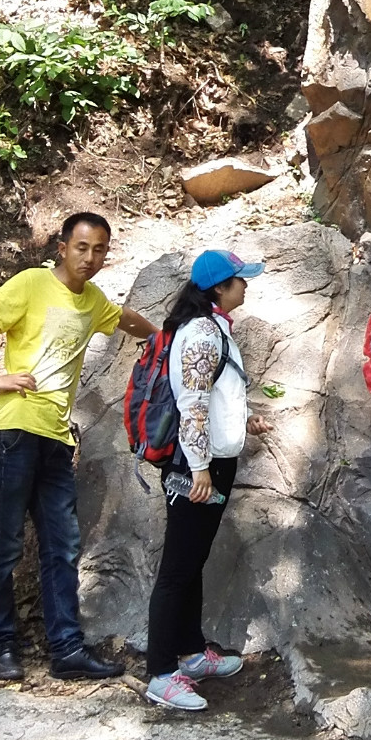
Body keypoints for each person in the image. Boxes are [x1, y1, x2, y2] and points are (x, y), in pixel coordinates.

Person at [0, 211, 153, 682]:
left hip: (56, 437)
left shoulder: (92, 301)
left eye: (100, 250)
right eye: (82, 247)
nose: (90, 258)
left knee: (62, 546)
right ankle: (2, 645)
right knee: (6, 541)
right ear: (62, 247)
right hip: (14, 429)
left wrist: (168, 336)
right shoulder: (32, 282)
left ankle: (66, 648)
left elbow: (125, 319)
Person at [143, 247, 271, 711]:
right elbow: (191, 403)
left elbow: (216, 397)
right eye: (240, 279)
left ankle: (192, 653)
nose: (246, 285)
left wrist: (244, 422)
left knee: (193, 561)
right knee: (177, 569)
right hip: (196, 468)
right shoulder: (201, 331)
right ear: (219, 287)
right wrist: (197, 468)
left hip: (214, 461)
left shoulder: (215, 328)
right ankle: (160, 672)